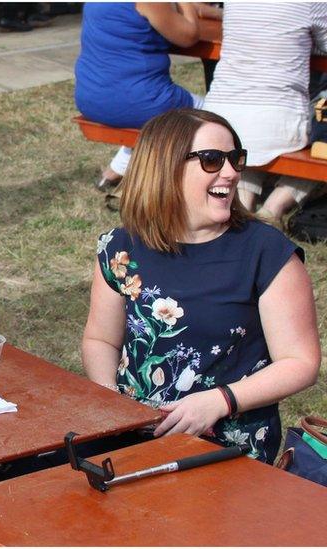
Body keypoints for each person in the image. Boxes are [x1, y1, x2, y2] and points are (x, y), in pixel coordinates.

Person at [81, 108, 321, 464]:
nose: (231, 172)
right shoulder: (121, 248)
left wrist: (220, 400)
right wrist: (111, 400)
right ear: (165, 167)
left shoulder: (266, 253)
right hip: (130, 437)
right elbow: (101, 339)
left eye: (235, 159)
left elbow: (300, 361)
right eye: (212, 160)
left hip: (224, 449)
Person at [202, 3, 327, 227]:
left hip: (221, 114)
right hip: (279, 119)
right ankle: (274, 208)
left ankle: (243, 203)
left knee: (246, 143)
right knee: (320, 142)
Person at [74, 3, 211, 190]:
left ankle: (116, 170)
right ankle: (240, 173)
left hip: (90, 97)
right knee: (217, 112)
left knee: (144, 111)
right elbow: (189, 36)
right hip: (140, 101)